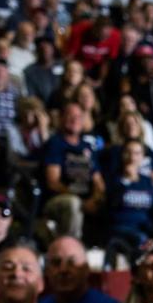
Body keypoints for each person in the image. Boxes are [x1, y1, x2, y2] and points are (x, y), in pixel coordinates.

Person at [42, 102, 105, 241]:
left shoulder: (87, 146)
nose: (74, 119)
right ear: (62, 118)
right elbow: (53, 182)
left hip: (87, 198)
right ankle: (70, 248)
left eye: (78, 116)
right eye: (70, 115)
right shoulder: (55, 143)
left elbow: (98, 181)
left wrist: (95, 199)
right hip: (60, 199)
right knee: (74, 203)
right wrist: (82, 201)